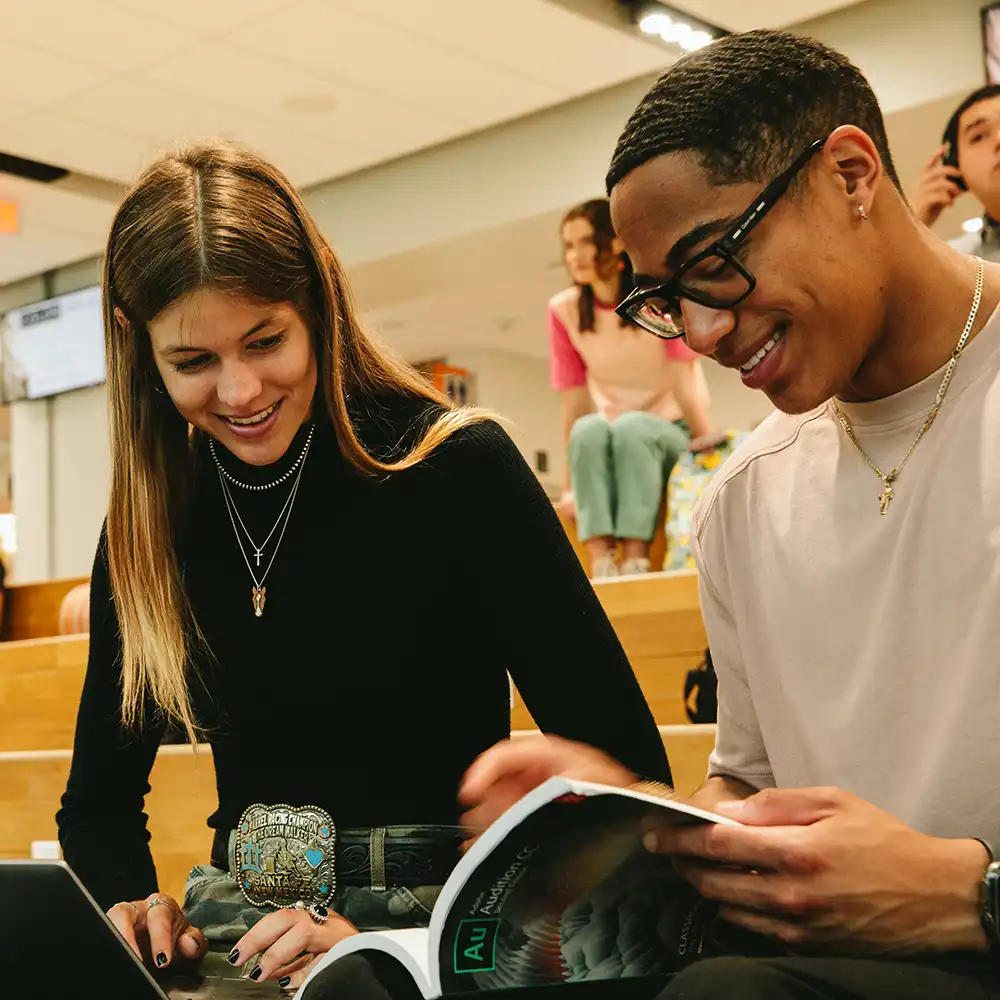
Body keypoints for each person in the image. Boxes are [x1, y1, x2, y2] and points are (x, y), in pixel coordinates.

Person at [460, 29, 1000, 1000]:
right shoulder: (745, 497)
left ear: (849, 173)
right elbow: (747, 781)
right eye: (668, 299)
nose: (703, 331)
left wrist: (971, 892)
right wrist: (640, 822)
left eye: (715, 260)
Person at [55, 142, 671, 989]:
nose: (239, 393)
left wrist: (376, 949)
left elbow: (632, 774)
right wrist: (131, 906)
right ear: (138, 348)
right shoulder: (148, 527)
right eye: (192, 363)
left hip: (447, 924)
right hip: (243, 935)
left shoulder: (457, 467)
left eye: (266, 341)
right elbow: (96, 810)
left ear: (316, 301)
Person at [550, 198, 722, 578]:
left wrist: (707, 445)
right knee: (587, 429)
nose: (574, 255)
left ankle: (635, 557)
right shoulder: (563, 310)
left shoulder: (654, 295)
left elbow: (682, 380)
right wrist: (568, 490)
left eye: (584, 242)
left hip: (669, 431)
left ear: (613, 243)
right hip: (613, 433)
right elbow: (574, 406)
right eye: (568, 245)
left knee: (632, 428)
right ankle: (601, 561)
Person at [909, 84, 1000, 261]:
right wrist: (910, 223)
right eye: (979, 136)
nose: (999, 140)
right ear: (955, 167)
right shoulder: (955, 263)